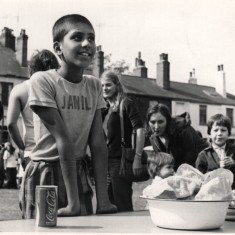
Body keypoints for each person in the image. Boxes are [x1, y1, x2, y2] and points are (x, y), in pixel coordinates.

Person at [22, 14, 117, 219]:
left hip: (78, 169)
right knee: (44, 229)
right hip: (46, 172)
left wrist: (104, 201)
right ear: (58, 49)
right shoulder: (43, 81)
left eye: (91, 38)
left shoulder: (93, 85)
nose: (87, 43)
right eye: (77, 37)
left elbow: (98, 142)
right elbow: (62, 139)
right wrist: (73, 204)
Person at [7, 49, 59, 186]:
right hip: (56, 150)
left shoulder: (19, 90)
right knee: (57, 200)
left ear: (32, 68)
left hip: (32, 152)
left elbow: (11, 124)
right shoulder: (59, 87)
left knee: (33, 201)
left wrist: (22, 148)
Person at [101, 70, 146, 212]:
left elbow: (140, 130)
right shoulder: (105, 108)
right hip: (105, 161)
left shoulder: (126, 103)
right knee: (107, 204)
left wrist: (137, 158)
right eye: (102, 86)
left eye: (108, 85)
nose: (104, 89)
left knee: (122, 203)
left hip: (120, 161)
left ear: (117, 85)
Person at [145, 103, 209, 170]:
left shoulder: (184, 131)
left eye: (160, 122)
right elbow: (164, 163)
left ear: (168, 121)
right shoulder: (153, 138)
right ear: (148, 122)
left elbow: (190, 162)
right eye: (152, 122)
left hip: (207, 165)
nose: (156, 127)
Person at [196, 114, 235, 188]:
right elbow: (199, 180)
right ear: (209, 133)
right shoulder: (203, 155)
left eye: (223, 130)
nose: (219, 133)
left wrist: (233, 164)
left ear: (228, 133)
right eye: (215, 130)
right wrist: (218, 171)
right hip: (213, 196)